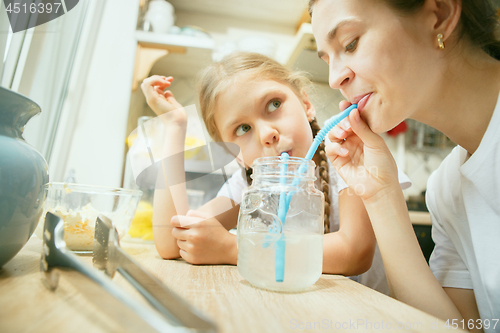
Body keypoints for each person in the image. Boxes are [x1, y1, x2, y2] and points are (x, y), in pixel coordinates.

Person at [141, 52, 410, 294]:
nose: (267, 134)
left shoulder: (348, 158)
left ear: (306, 103)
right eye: (243, 129)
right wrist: (174, 127)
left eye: (273, 105)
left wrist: (235, 248)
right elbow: (171, 241)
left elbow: (353, 252)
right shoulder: (246, 187)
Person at [308, 0, 500, 328]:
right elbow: (454, 327)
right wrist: (381, 195)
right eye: (327, 59)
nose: (334, 78)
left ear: (439, 15)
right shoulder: (446, 190)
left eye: (350, 44)